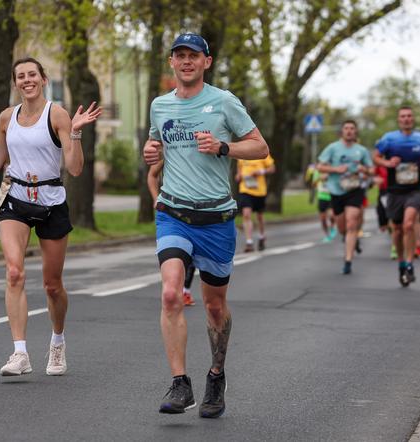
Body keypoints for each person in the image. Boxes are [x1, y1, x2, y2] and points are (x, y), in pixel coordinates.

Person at [0, 57, 101, 376]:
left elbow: (75, 168)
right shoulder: (5, 118)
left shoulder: (57, 114)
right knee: (14, 272)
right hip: (16, 198)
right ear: (15, 83)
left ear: (43, 79)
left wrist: (77, 134)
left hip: (51, 201)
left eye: (32, 75)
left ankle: (57, 342)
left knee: (52, 285)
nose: (27, 80)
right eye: (20, 76)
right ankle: (20, 353)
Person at [143, 33, 268, 418]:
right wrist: (151, 151)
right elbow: (156, 147)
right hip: (173, 212)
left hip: (216, 218)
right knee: (170, 294)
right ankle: (181, 384)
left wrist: (223, 147)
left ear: (206, 62)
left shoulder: (224, 102)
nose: (186, 62)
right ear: (171, 62)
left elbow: (260, 147)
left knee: (215, 306)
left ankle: (216, 374)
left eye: (193, 56)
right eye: (179, 56)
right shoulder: (159, 106)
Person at [373, 106, 420, 286]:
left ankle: (411, 264)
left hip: (415, 189)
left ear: (413, 119)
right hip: (395, 190)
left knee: (408, 225)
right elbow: (376, 157)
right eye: (403, 116)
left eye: (409, 116)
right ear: (399, 120)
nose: (406, 119)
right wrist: (388, 163)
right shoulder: (389, 138)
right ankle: (401, 264)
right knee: (397, 230)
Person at [317, 120, 373, 274]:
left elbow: (372, 169)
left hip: (355, 190)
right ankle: (350, 239)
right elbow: (320, 166)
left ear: (356, 132)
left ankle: (348, 260)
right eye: (346, 128)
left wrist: (365, 169)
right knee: (342, 227)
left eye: (352, 129)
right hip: (336, 191)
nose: (349, 131)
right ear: (342, 131)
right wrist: (336, 169)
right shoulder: (333, 148)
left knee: (351, 224)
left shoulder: (361, 150)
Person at [148, 161, 196, 306]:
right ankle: (182, 291)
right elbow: (152, 175)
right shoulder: (171, 148)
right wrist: (156, 198)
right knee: (178, 256)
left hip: (202, 212)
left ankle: (185, 290)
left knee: (194, 256)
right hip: (173, 214)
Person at [235, 153, 275, 252]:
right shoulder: (241, 155)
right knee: (246, 214)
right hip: (245, 190)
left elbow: (272, 168)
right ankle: (249, 242)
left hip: (259, 191)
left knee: (259, 216)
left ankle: (262, 236)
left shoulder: (262, 153)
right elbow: (238, 173)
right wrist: (238, 176)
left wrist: (260, 172)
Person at [312, 169, 337, 242]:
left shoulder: (332, 170)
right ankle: (327, 235)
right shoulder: (317, 171)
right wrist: (319, 178)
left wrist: (328, 177)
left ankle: (332, 227)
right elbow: (313, 184)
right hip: (322, 197)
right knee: (323, 219)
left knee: (332, 215)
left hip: (331, 196)